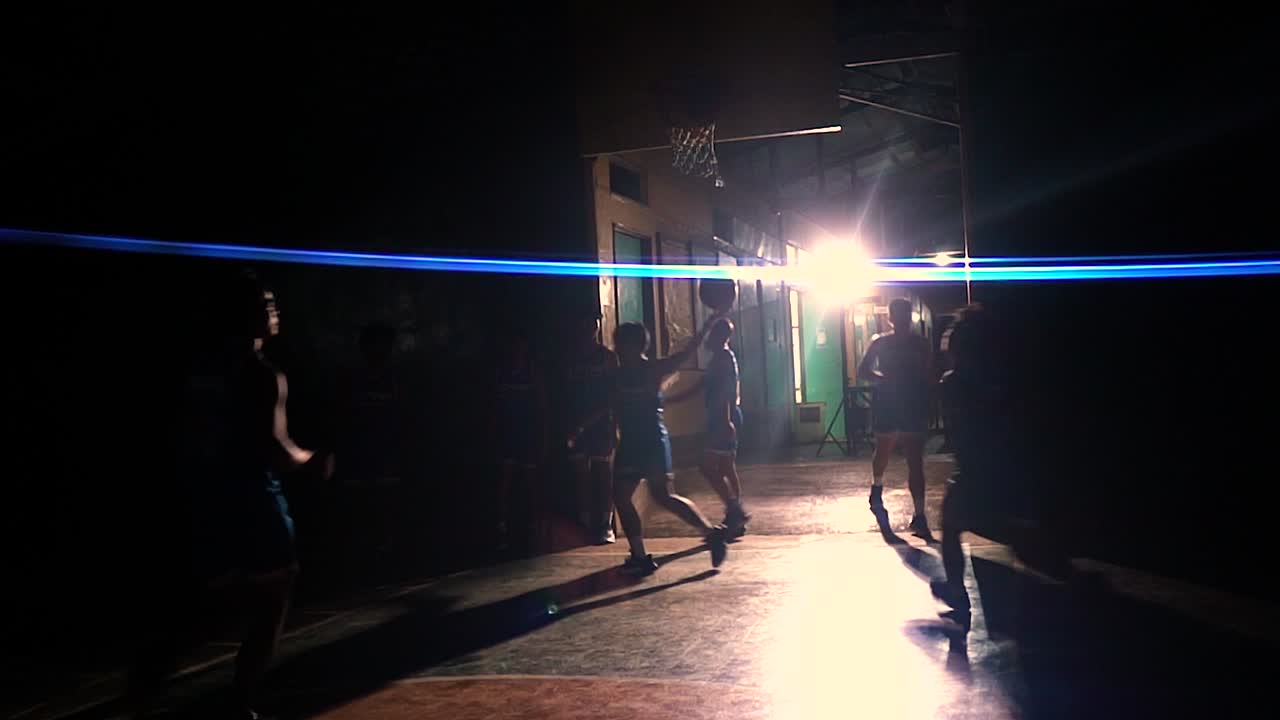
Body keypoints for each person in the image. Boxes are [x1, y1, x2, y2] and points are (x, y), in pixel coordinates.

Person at [130, 271, 332, 720]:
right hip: (253, 499)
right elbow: (276, 450)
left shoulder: (200, 372)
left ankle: (151, 676)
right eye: (266, 303)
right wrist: (312, 458)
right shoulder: (261, 375)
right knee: (274, 593)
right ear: (244, 313)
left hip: (204, 496)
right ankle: (240, 703)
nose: (274, 310)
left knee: (209, 594)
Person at [570, 319, 730, 576]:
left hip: (652, 442)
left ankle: (709, 534)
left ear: (635, 346)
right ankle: (640, 555)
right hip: (632, 443)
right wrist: (580, 427)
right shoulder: (618, 375)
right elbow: (606, 405)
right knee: (622, 497)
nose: (618, 348)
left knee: (662, 496)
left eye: (621, 343)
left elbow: (688, 351)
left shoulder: (653, 369)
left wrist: (710, 320)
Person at [859, 298, 933, 536]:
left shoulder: (884, 343)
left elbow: (863, 370)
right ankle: (917, 513)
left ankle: (880, 488)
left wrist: (883, 379)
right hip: (904, 402)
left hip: (897, 402)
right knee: (905, 456)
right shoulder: (914, 344)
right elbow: (928, 374)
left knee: (896, 453)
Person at [491, 324, 548, 553]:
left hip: (527, 433)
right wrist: (494, 432)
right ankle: (502, 528)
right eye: (513, 344)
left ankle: (536, 530)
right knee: (504, 482)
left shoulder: (532, 371)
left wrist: (543, 437)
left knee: (530, 481)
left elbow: (543, 407)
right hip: (508, 433)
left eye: (520, 344)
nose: (517, 348)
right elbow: (494, 404)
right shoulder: (501, 371)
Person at [564, 311, 620, 545]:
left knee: (603, 474)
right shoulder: (570, 358)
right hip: (577, 423)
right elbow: (565, 393)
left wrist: (616, 425)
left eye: (593, 325)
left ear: (597, 328)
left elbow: (614, 395)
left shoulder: (607, 358)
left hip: (601, 424)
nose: (588, 330)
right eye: (584, 325)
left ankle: (606, 525)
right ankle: (585, 523)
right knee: (581, 476)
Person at [697, 318, 750, 538]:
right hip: (722, 415)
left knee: (708, 467)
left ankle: (734, 510)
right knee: (727, 466)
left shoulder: (723, 358)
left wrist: (726, 419)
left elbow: (727, 391)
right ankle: (734, 514)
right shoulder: (721, 357)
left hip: (722, 416)